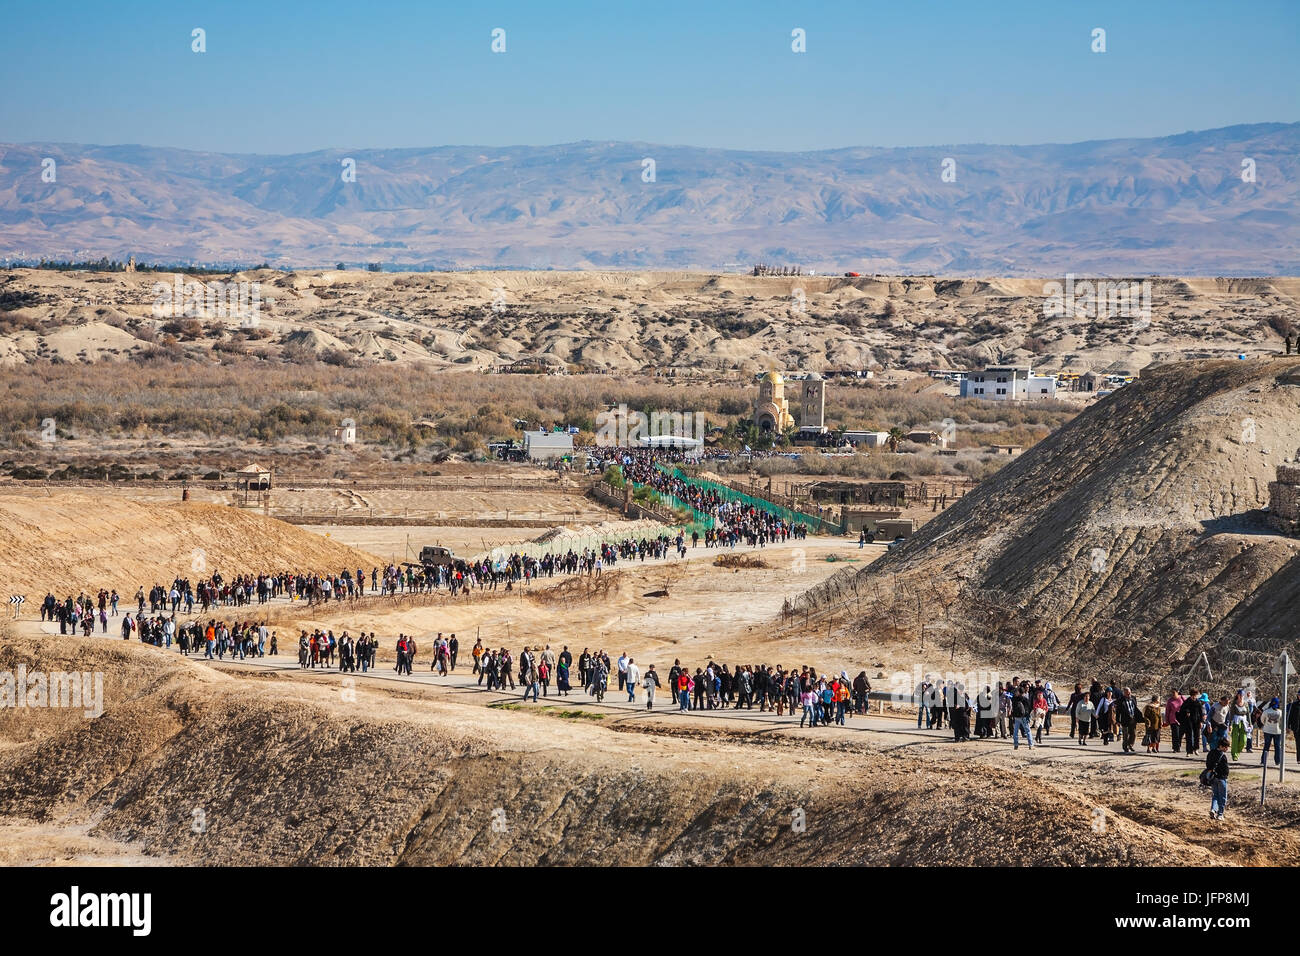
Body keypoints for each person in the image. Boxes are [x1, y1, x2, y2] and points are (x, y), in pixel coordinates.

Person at [1206, 737, 1230, 821]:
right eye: (1225, 747)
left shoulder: (1211, 753)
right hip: (1222, 778)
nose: (1226, 749)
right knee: (1223, 797)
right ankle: (1220, 814)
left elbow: (1208, 764)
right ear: (1221, 746)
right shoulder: (1223, 756)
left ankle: (1213, 809)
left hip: (1213, 778)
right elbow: (1225, 769)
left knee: (1215, 795)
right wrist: (1226, 775)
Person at [1114, 687, 1141, 754]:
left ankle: (1130, 745)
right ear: (1124, 693)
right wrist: (1117, 720)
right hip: (1125, 720)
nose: (1129, 694)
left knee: (1133, 734)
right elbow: (1118, 712)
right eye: (1127, 693)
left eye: (1129, 693)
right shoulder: (1120, 700)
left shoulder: (1133, 698)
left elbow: (1135, 708)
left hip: (1133, 718)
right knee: (1125, 735)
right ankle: (1125, 747)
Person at [1260, 696, 1283, 768]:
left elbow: (1262, 720)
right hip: (1277, 731)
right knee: (1277, 746)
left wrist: (1266, 725)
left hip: (1268, 731)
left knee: (1267, 746)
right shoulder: (1280, 712)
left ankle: (1263, 761)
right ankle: (1277, 761)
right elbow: (1282, 722)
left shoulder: (1266, 711)